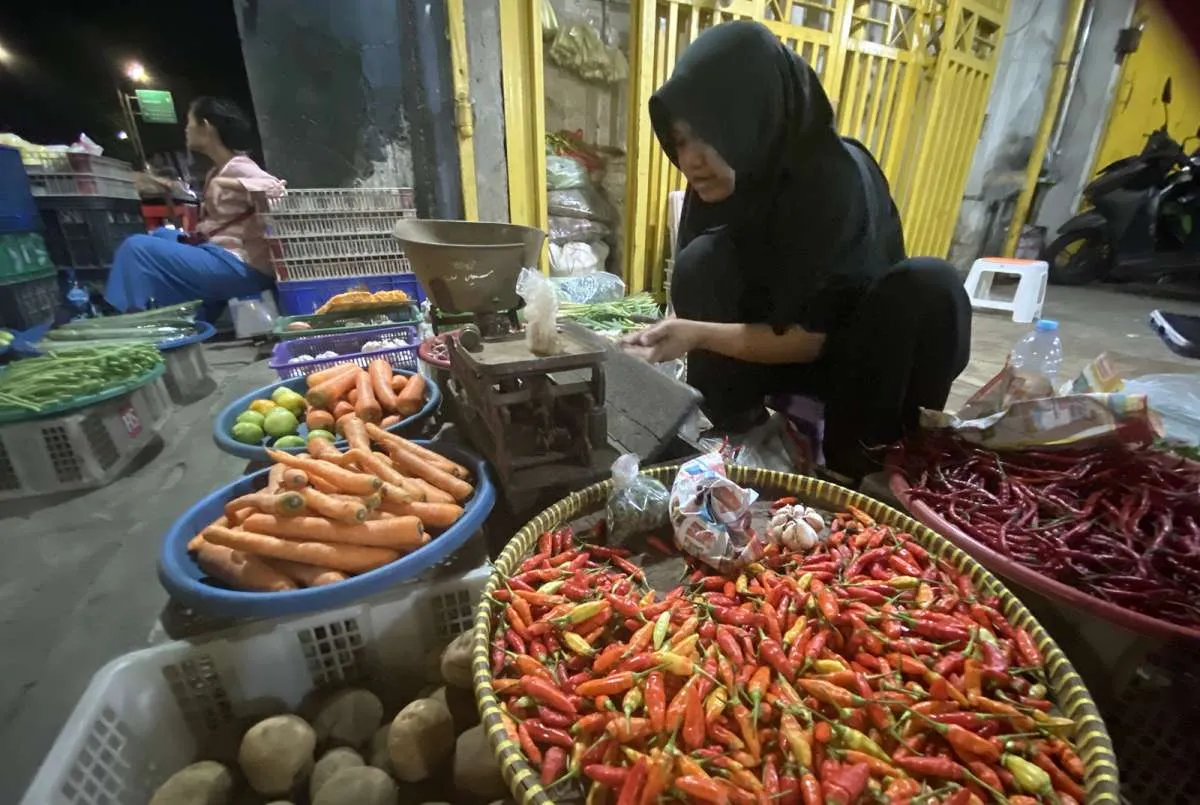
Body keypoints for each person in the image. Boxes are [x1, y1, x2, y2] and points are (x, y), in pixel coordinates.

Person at [621, 21, 971, 480]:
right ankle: (740, 429)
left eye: (709, 134)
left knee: (928, 284)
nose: (690, 159)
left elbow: (815, 339)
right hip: (777, 355)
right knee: (699, 262)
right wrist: (679, 333)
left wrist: (695, 334)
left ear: (754, 118)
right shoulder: (724, 190)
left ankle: (867, 459)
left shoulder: (831, 182)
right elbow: (716, 302)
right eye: (681, 140)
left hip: (862, 364)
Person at [105, 97, 285, 314]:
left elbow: (276, 191)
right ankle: (186, 317)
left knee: (136, 248)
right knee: (163, 235)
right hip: (221, 255)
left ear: (206, 126)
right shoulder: (215, 171)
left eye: (189, 123)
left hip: (241, 266)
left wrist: (226, 183)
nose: (186, 130)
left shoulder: (239, 166)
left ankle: (134, 322)